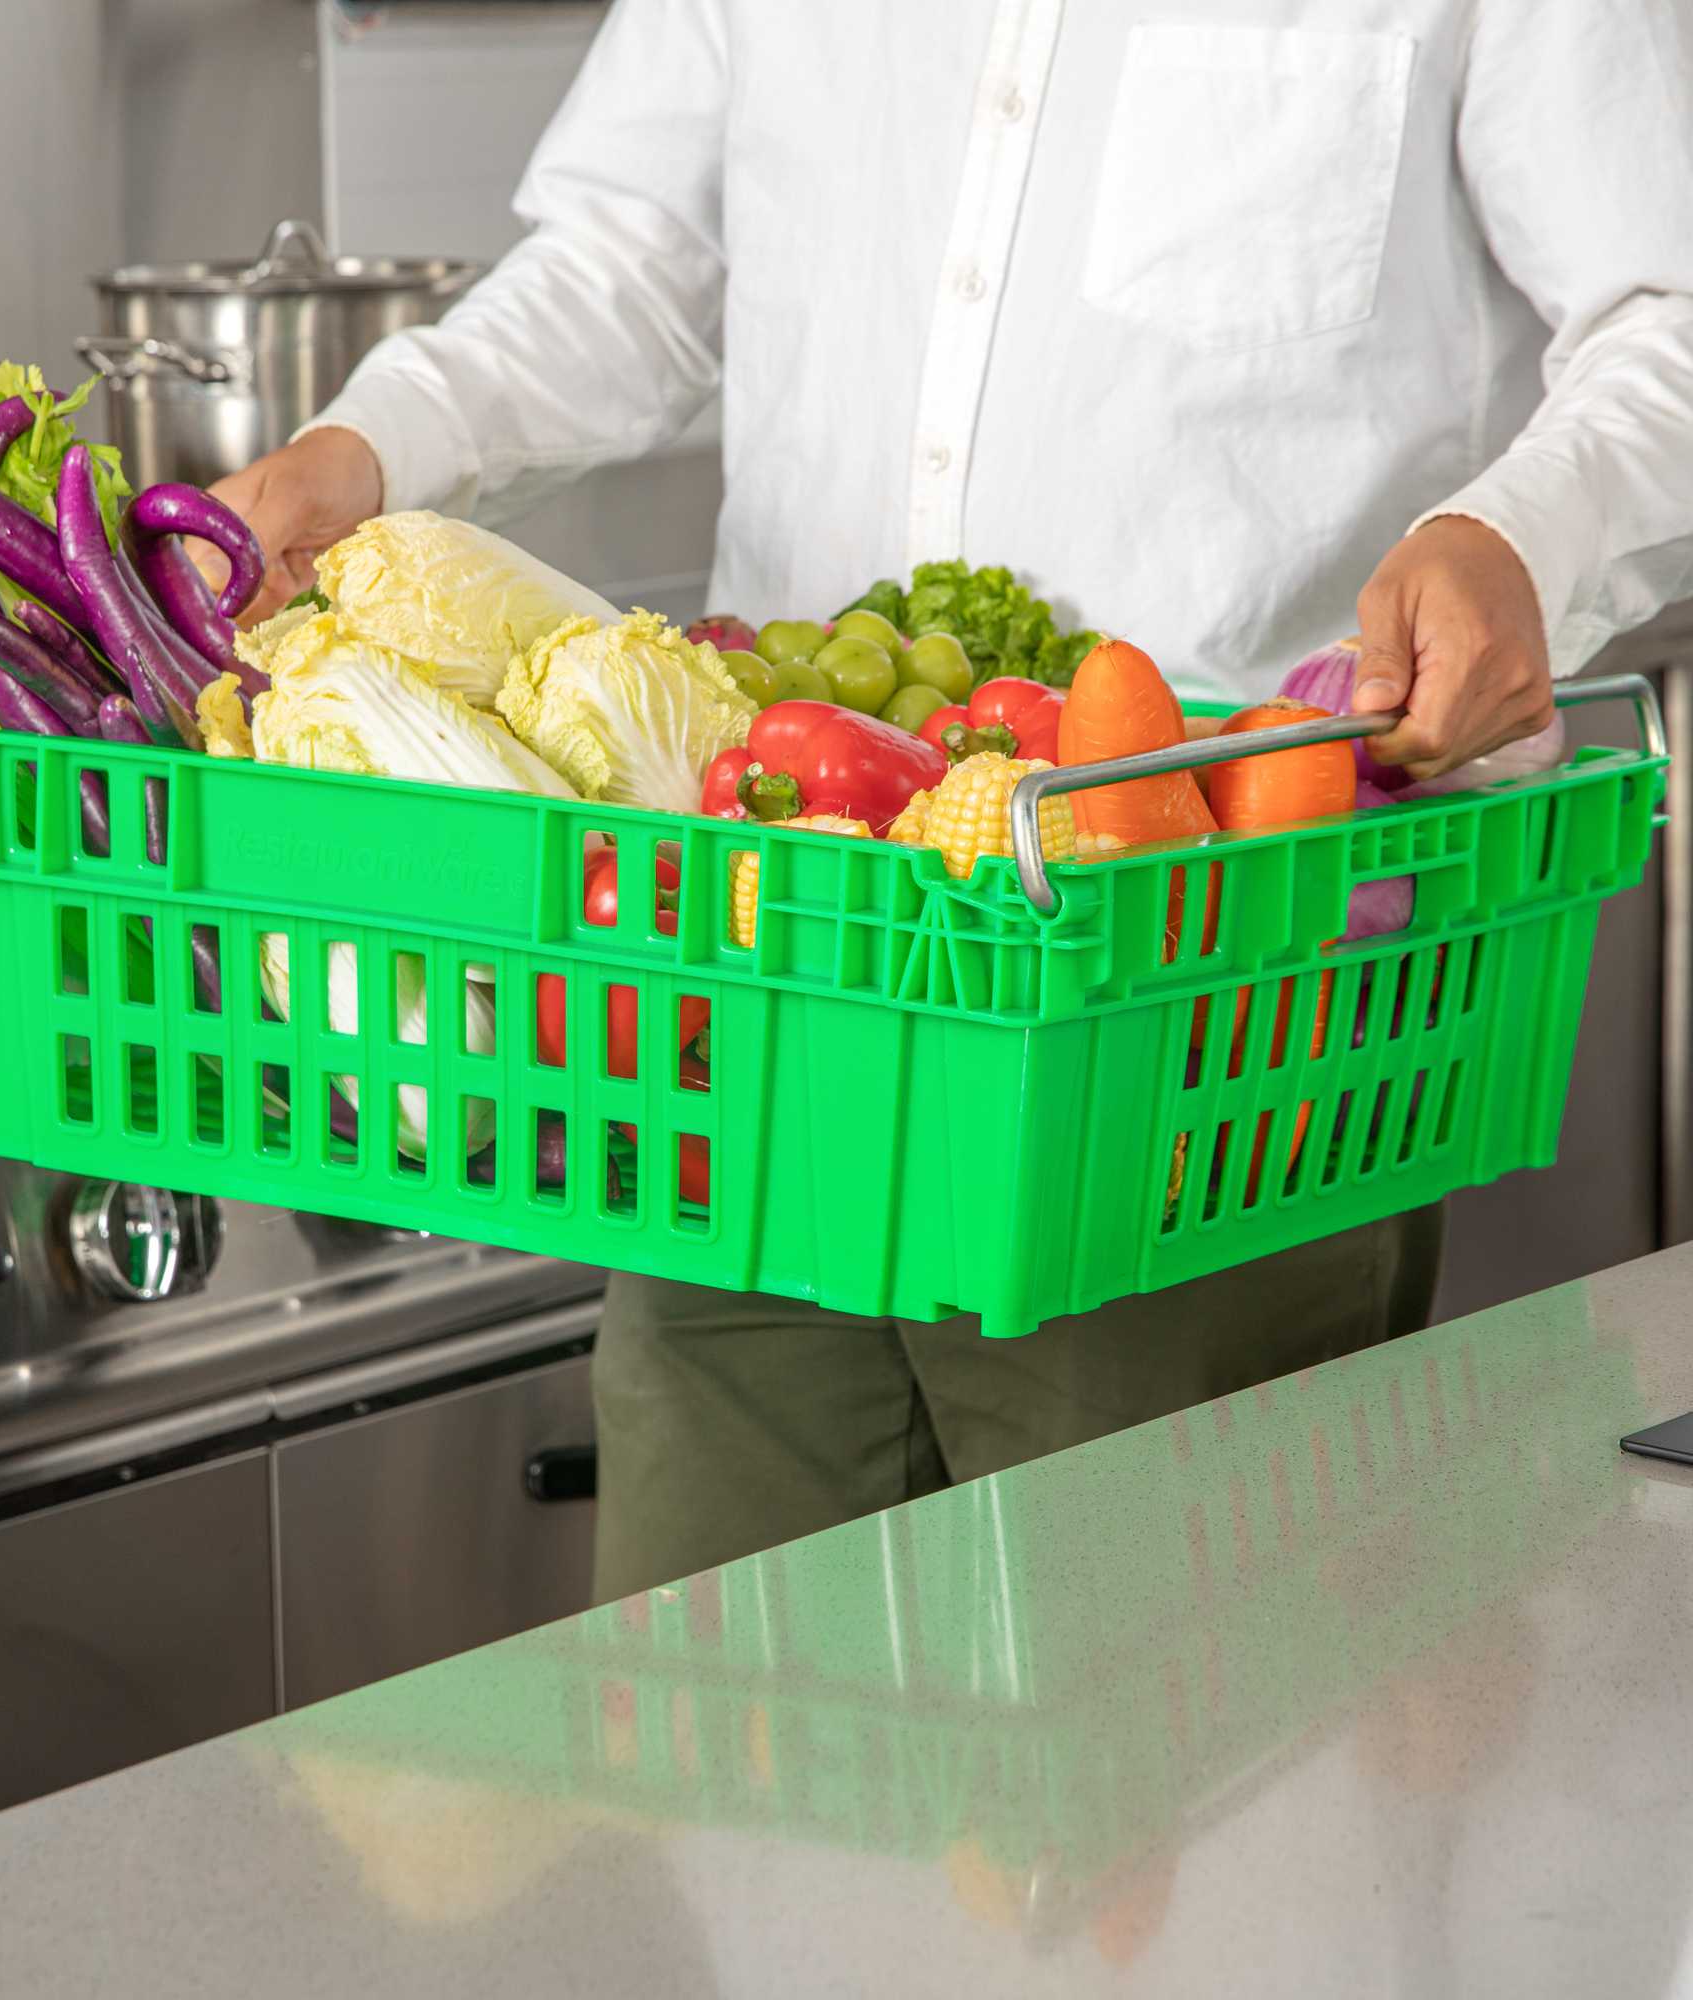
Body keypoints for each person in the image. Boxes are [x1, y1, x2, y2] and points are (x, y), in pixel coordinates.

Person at [212, 0, 1693, 1601]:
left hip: (1209, 1050)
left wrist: (1518, 538)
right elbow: (630, 261)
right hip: (765, 1004)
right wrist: (367, 449)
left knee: (1183, 1709)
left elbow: (1669, 311)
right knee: (721, 1707)